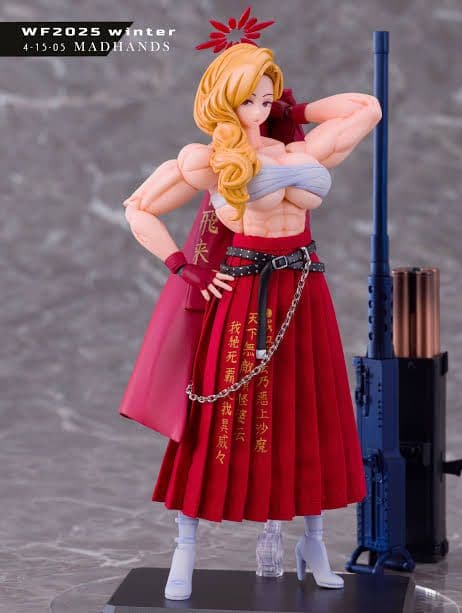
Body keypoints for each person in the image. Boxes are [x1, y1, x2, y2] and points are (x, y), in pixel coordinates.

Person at [122, 42, 381, 600]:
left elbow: (367, 107)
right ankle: (185, 547)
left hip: (303, 286)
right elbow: (138, 208)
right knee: (219, 414)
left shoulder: (298, 148)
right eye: (251, 99)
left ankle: (314, 541)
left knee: (308, 408)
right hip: (243, 288)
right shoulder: (209, 160)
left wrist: (295, 109)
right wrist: (183, 268)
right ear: (223, 100)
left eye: (267, 98)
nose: (262, 109)